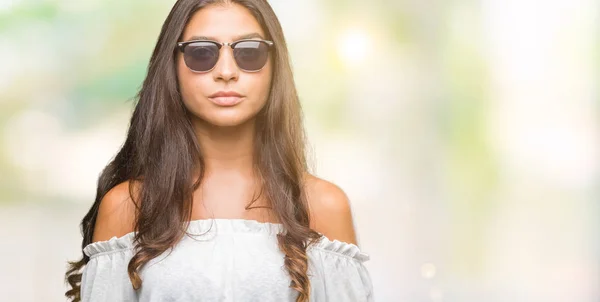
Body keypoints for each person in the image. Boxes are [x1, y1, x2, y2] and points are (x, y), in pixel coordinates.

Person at [64, 0, 373, 301]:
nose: (226, 71)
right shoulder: (126, 207)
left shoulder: (324, 206)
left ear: (275, 68)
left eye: (249, 53)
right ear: (172, 68)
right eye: (201, 53)